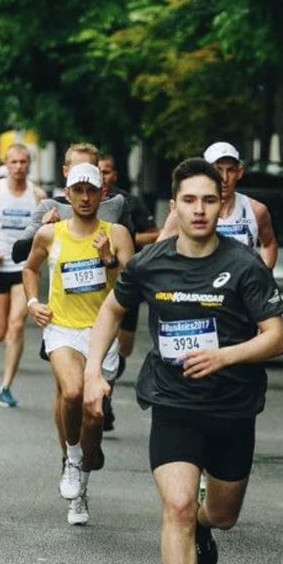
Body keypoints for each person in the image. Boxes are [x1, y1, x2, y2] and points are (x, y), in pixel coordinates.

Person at [83, 158, 283, 564]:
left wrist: (225, 355)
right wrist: (93, 372)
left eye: (209, 200)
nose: (200, 210)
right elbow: (112, 308)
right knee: (175, 505)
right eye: (190, 201)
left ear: (222, 204)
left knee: (221, 514)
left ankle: (204, 527)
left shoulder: (243, 265)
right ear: (173, 206)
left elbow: (276, 337)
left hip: (233, 408)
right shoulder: (150, 262)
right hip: (173, 403)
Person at [22, 162, 134, 526]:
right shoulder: (50, 234)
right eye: (78, 191)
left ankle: (81, 487)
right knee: (71, 393)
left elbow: (131, 288)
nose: (85, 198)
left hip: (102, 332)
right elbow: (29, 269)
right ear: (67, 194)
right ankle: (71, 459)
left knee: (96, 413)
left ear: (103, 194)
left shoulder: (115, 233)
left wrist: (108, 260)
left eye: (92, 191)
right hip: (62, 330)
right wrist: (32, 303)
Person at [0, 143, 46, 407]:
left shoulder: (38, 196)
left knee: (16, 326)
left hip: (23, 268)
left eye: (23, 162)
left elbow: (45, 231)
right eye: (14, 162)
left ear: (29, 164)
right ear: (6, 163)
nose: (19, 167)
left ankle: (6, 385)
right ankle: (4, 351)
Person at [98, 153, 160, 429]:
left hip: (125, 282)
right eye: (98, 170)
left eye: (108, 171)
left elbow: (155, 233)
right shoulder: (82, 203)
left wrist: (123, 239)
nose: (103, 176)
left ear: (115, 175)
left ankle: (105, 384)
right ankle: (103, 400)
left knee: (122, 349)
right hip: (94, 288)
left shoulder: (128, 202)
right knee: (101, 345)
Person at [156, 142, 278, 269]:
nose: (224, 178)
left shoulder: (256, 210)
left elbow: (269, 243)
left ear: (239, 172)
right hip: (200, 285)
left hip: (241, 286)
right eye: (217, 170)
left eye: (230, 170)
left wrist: (264, 276)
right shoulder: (187, 211)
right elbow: (159, 250)